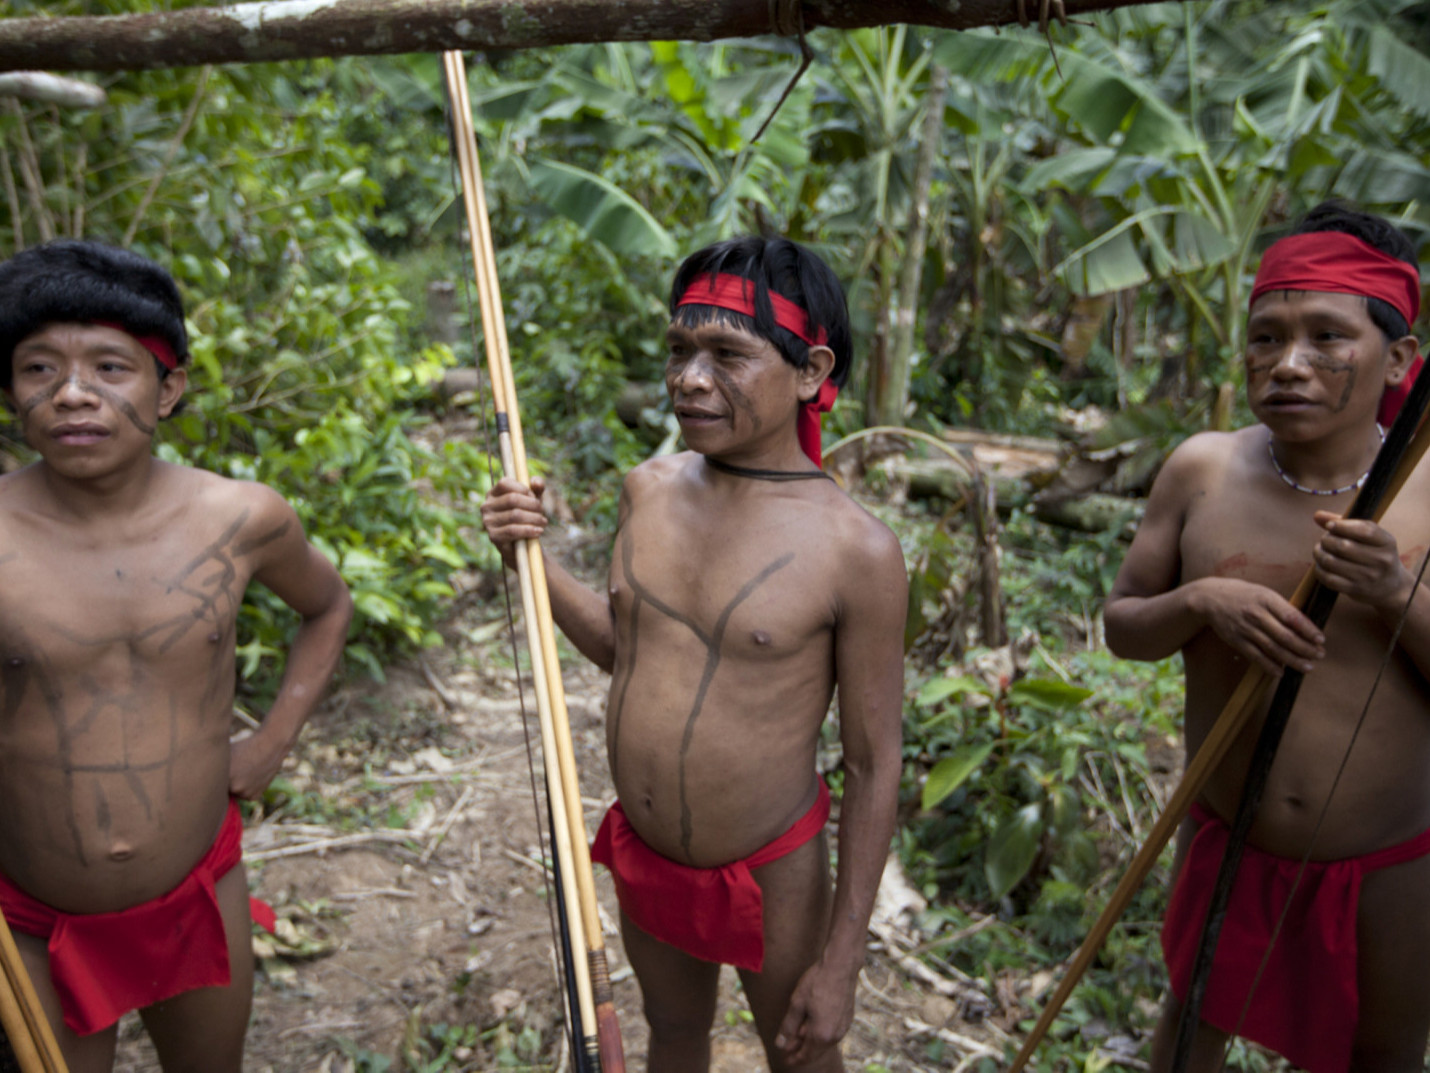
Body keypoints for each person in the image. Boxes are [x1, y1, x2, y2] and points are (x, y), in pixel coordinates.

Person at [481, 236, 906, 1071]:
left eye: (726, 354)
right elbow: (627, 649)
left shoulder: (857, 551)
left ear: (812, 371)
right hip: (645, 848)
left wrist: (843, 954)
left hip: (772, 868)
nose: (689, 378)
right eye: (679, 350)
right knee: (673, 1034)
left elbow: (873, 758)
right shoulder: (650, 488)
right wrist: (529, 557)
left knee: (804, 1054)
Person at [0, 240, 353, 1073]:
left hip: (200, 884)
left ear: (171, 387)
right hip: (31, 912)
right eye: (39, 368)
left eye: (111, 368)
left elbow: (328, 606)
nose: (72, 394)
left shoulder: (238, 519)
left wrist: (271, 742)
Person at [1104, 201, 1430, 1073]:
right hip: (1226, 831)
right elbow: (1124, 628)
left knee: (1384, 1052)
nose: (1288, 364)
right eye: (1265, 337)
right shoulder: (1203, 468)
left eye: (1328, 336)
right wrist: (1201, 601)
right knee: (1188, 1032)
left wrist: (1397, 593)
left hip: (1392, 863)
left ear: (1398, 357)